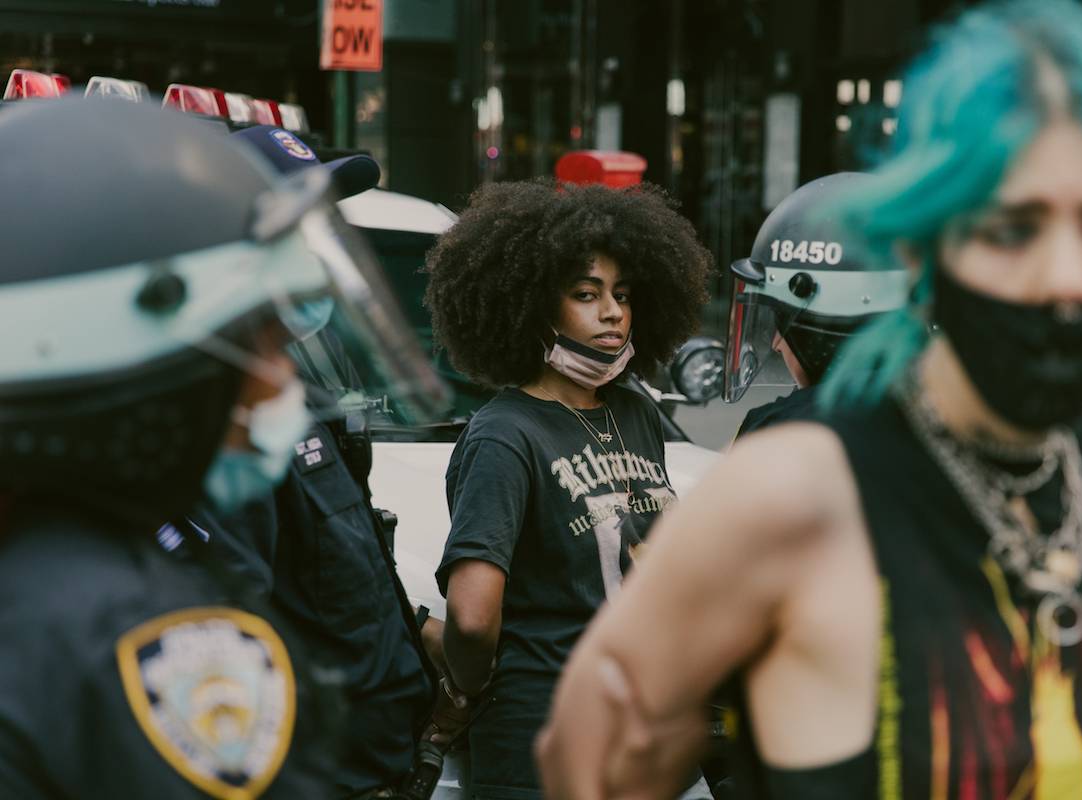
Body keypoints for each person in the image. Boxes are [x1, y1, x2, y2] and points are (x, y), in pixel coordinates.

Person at [535, 1, 1082, 797]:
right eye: (1013, 227)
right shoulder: (793, 492)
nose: (1068, 279)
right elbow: (592, 764)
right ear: (925, 246)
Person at [0, 98, 433, 797]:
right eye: (255, 344)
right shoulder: (142, 639)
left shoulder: (44, 573)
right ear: (151, 372)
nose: (284, 375)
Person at [421, 179, 713, 798]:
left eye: (624, 294)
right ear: (530, 307)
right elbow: (473, 622)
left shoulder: (633, 413)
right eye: (586, 294)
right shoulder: (505, 435)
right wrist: (465, 690)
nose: (613, 312)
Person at [192, 124, 440, 799]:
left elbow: (329, 583)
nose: (316, 248)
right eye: (292, 226)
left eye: (322, 224)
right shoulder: (225, 426)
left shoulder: (296, 397)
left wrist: (421, 643)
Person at [724, 172, 907, 437]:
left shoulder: (776, 431)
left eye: (783, 321)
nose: (775, 343)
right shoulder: (945, 421)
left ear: (816, 333)